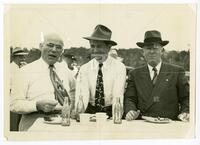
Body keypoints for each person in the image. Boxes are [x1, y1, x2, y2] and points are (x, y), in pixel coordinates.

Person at [10, 33, 76, 131]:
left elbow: (74, 91)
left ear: (62, 51)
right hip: (34, 125)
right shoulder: (25, 71)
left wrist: (71, 108)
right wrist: (36, 105)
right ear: (41, 46)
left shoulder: (65, 71)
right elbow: (13, 104)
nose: (54, 50)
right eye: (50, 45)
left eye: (58, 47)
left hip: (63, 125)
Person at [124, 30, 189, 122]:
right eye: (148, 48)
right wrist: (130, 111)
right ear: (143, 52)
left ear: (162, 50)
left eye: (155, 48)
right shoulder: (135, 74)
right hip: (142, 122)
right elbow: (130, 98)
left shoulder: (177, 71)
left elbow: (186, 97)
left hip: (170, 124)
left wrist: (185, 112)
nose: (151, 52)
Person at [75, 24, 126, 117]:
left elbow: (118, 95)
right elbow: (82, 96)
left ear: (108, 47)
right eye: (92, 46)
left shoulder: (119, 67)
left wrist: (116, 117)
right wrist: (79, 114)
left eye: (99, 46)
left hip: (111, 112)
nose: (95, 50)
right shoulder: (84, 68)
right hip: (89, 113)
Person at [10, 47, 28, 131]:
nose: (23, 58)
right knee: (13, 121)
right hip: (12, 96)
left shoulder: (18, 67)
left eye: (23, 56)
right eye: (21, 56)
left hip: (18, 96)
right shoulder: (12, 68)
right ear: (15, 57)